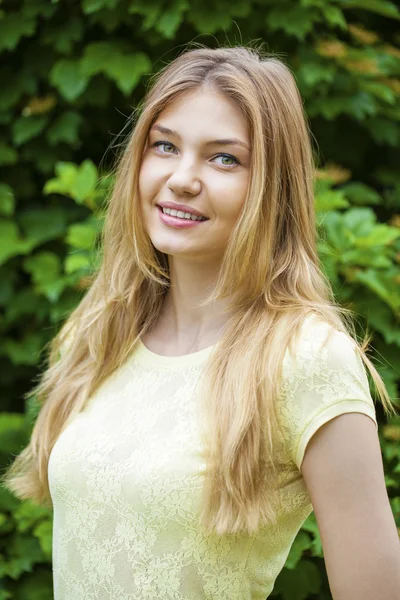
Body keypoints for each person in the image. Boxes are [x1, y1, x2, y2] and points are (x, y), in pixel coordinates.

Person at [3, 44, 400, 600]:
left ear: (273, 186)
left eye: (224, 158)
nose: (182, 178)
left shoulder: (308, 361)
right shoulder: (100, 334)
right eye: (165, 146)